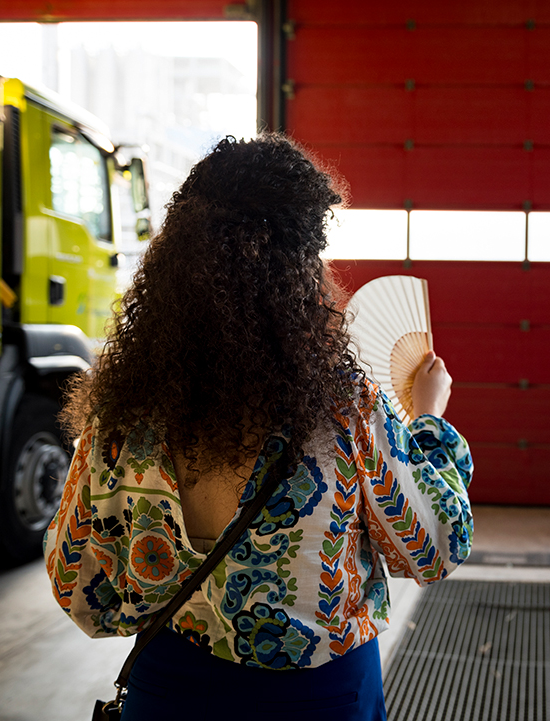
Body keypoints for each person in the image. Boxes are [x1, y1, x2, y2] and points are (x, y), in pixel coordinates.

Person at [43, 135, 474, 720]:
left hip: (170, 693)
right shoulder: (341, 409)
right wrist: (427, 421)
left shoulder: (125, 410)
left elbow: (75, 581)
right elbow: (434, 545)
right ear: (296, 267)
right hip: (318, 701)